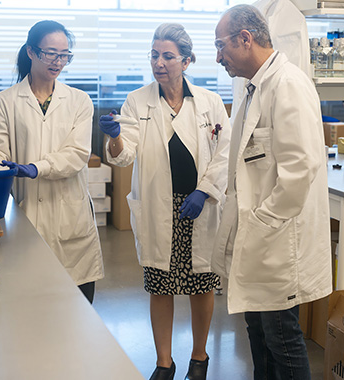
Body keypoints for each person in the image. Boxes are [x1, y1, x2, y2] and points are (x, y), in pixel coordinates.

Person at [99, 23, 230, 380]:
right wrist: (115, 139)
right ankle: (163, 362)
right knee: (161, 284)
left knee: (201, 282)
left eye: (168, 56)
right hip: (160, 207)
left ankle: (199, 359)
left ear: (186, 61)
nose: (159, 62)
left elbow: (225, 153)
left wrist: (204, 192)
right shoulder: (138, 101)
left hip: (199, 206)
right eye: (154, 55)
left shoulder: (209, 102)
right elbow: (125, 157)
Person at [211, 5, 332, 380]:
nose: (217, 57)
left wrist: (263, 221)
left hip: (278, 240)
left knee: (281, 338)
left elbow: (300, 169)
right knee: (258, 333)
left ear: (245, 39)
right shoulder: (254, 88)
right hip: (258, 239)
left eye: (221, 46)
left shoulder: (288, 85)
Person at [0, 20, 103, 303]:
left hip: (72, 218)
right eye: (51, 53)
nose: (58, 61)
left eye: (64, 55)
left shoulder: (80, 101)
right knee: (29, 308)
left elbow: (77, 154)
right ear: (31, 52)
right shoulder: (4, 102)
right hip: (27, 212)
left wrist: (36, 168)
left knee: (78, 311)